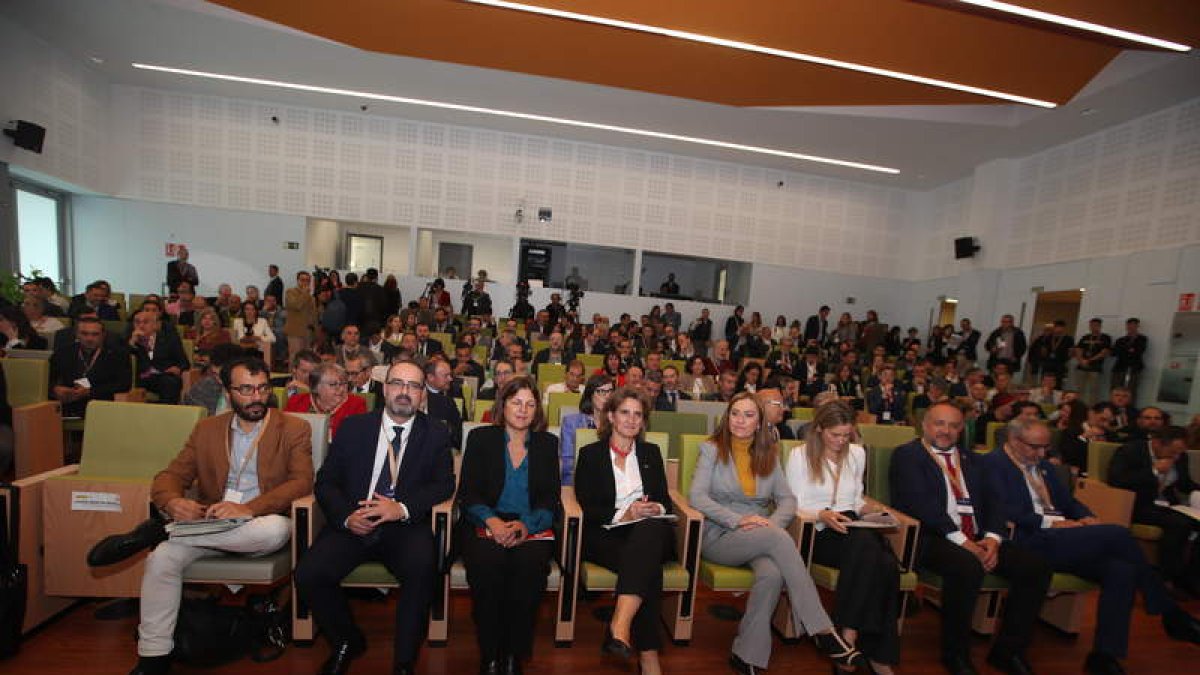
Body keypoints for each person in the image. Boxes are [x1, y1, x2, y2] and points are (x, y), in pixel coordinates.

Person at [96, 356, 313, 675]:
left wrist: (248, 508)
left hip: (259, 523)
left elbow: (302, 482)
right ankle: (153, 656)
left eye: (262, 388)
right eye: (246, 389)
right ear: (226, 391)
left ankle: (163, 531)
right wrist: (171, 502)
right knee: (162, 561)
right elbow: (169, 476)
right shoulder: (207, 429)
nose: (256, 397)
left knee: (276, 531)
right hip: (210, 524)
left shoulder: (293, 427)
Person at [981, 418, 1200, 674]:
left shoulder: (1043, 466)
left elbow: (1069, 502)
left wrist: (1087, 516)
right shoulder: (990, 465)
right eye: (1035, 447)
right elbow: (1001, 510)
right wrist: (1049, 524)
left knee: (1121, 570)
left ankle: (1104, 656)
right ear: (1014, 441)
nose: (1042, 454)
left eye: (1046, 448)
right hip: (1026, 538)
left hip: (1064, 538)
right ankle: (1168, 612)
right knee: (1117, 534)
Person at [295, 360, 455, 675]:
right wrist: (344, 517)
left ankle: (404, 661)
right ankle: (346, 641)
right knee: (308, 574)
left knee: (423, 571)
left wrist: (402, 508)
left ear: (423, 394)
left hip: (404, 525)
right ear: (385, 388)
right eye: (398, 383)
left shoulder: (436, 432)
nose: (405, 392)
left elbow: (444, 484)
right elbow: (326, 482)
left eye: (414, 386)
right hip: (355, 520)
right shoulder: (355, 427)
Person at [689, 393, 862, 674]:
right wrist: (738, 520)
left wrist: (771, 524)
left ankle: (747, 655)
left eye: (748, 415)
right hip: (719, 532)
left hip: (761, 531)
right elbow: (697, 497)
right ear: (727, 416)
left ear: (759, 422)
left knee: (772, 574)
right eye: (735, 414)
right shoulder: (712, 449)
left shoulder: (769, 451)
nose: (740, 421)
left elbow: (787, 500)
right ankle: (823, 629)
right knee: (776, 539)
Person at [889, 402, 1053, 675]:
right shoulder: (908, 456)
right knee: (967, 565)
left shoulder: (975, 460)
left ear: (962, 429)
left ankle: (1008, 651)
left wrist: (992, 539)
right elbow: (921, 505)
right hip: (932, 537)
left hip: (977, 538)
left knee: (1035, 567)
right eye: (940, 424)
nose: (946, 431)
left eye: (954, 425)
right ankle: (956, 654)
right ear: (925, 425)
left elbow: (995, 503)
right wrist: (965, 543)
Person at [786, 401, 901, 674]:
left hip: (852, 524)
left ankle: (849, 639)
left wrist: (870, 510)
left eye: (846, 435)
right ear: (819, 429)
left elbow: (856, 498)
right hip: (817, 529)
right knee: (877, 557)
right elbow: (793, 505)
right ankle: (868, 649)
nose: (841, 441)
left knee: (884, 563)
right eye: (834, 435)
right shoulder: (800, 456)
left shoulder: (858, 454)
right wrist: (822, 515)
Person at [458, 377, 560, 675]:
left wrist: (525, 527)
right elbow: (469, 493)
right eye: (516, 402)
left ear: (537, 410)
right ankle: (490, 654)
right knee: (487, 566)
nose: (523, 409)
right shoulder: (480, 438)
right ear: (503, 405)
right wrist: (492, 522)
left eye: (530, 404)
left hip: (530, 525)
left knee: (529, 571)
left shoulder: (547, 444)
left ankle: (515, 655)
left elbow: (549, 499)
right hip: (485, 519)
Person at [574, 387, 673, 675]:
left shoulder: (650, 453)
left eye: (638, 415)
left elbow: (665, 500)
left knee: (649, 533)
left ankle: (620, 626)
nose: (631, 420)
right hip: (608, 534)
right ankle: (649, 655)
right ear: (611, 416)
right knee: (647, 567)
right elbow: (587, 505)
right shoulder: (591, 454)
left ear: (644, 421)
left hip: (649, 531)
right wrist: (624, 513)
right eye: (625, 412)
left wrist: (654, 507)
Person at [1107, 426, 1200, 596]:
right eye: (1173, 452)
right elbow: (1117, 480)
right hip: (1139, 504)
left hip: (1168, 505)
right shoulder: (1130, 451)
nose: (1177, 457)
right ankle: (1166, 580)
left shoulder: (1180, 457)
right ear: (1157, 443)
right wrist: (1154, 471)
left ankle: (1191, 580)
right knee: (1179, 524)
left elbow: (1185, 484)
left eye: (1180, 453)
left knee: (1189, 522)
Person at [48, 317, 131, 417]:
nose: (89, 339)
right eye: (84, 334)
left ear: (103, 335)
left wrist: (90, 392)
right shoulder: (63, 353)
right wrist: (55, 389)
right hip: (67, 405)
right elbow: (47, 379)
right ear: (77, 334)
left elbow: (123, 385)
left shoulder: (118, 355)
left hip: (102, 406)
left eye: (95, 334)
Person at [285, 362, 369, 440]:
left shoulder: (357, 404)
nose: (341, 389)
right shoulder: (295, 402)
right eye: (333, 384)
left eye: (344, 383)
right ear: (316, 387)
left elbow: (357, 439)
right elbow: (285, 433)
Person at [558, 374, 614, 486]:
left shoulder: (618, 424)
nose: (607, 396)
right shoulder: (571, 423)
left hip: (610, 484)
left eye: (610, 391)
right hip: (576, 482)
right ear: (590, 395)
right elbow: (567, 464)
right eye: (601, 391)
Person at [127, 308, 189, 404]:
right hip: (142, 378)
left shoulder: (169, 340)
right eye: (137, 322)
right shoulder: (130, 341)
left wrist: (178, 368)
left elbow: (184, 363)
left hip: (165, 375)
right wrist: (132, 342)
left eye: (145, 322)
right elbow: (124, 360)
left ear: (155, 325)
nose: (141, 325)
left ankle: (166, 411)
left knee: (170, 382)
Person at [182, 343, 245, 416]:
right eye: (215, 374)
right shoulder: (203, 388)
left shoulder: (251, 391)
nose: (220, 380)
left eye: (225, 375)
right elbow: (189, 417)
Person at [1076, 318, 1112, 405]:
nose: (1093, 327)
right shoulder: (1085, 337)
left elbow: (1104, 352)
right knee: (1079, 389)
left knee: (1093, 390)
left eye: (1095, 325)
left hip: (1095, 367)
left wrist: (1090, 360)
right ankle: (1079, 408)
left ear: (1100, 326)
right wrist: (1081, 360)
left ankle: (1091, 409)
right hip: (1082, 367)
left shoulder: (1105, 338)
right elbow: (1078, 349)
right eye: (1091, 325)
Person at [1110, 318, 1147, 402]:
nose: (1131, 327)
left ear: (1137, 326)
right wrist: (1128, 349)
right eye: (1129, 325)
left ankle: (1129, 410)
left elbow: (1139, 351)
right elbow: (1114, 353)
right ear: (1126, 326)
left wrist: (1125, 350)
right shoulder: (1120, 340)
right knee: (1115, 389)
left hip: (1134, 368)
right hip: (1119, 367)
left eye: (1134, 325)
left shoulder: (1142, 339)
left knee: (1130, 391)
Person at [284, 271, 317, 361]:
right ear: (297, 281)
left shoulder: (311, 297)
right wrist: (305, 293)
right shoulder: (290, 292)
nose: (305, 282)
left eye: (307, 280)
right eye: (302, 280)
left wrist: (315, 332)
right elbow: (296, 305)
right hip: (295, 331)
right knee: (295, 357)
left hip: (308, 332)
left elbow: (313, 315)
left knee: (307, 359)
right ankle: (293, 375)